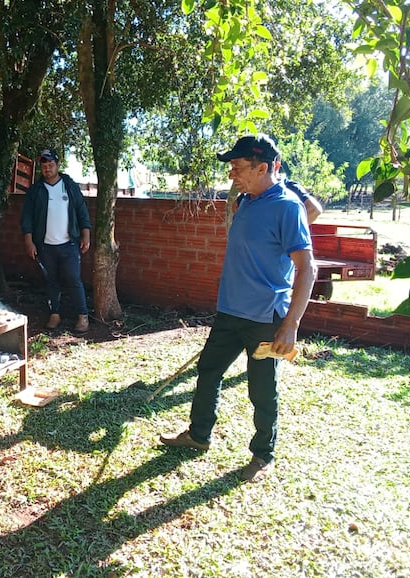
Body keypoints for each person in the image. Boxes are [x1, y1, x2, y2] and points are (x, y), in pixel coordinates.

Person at [160, 135, 317, 482]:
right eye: (231, 167)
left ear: (263, 167)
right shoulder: (247, 201)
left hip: (265, 317)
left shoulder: (288, 208)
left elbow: (308, 268)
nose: (232, 174)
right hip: (231, 312)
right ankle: (199, 435)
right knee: (208, 371)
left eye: (237, 167)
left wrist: (291, 324)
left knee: (261, 389)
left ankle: (263, 455)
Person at [21, 149, 92, 333]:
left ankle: (82, 316)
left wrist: (86, 235)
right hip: (45, 246)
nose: (47, 169)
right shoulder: (36, 190)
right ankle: (55, 314)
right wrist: (29, 242)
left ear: (58, 165)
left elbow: (82, 211)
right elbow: (27, 218)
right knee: (51, 281)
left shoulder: (69, 186)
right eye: (44, 166)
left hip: (69, 244)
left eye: (51, 165)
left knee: (73, 279)